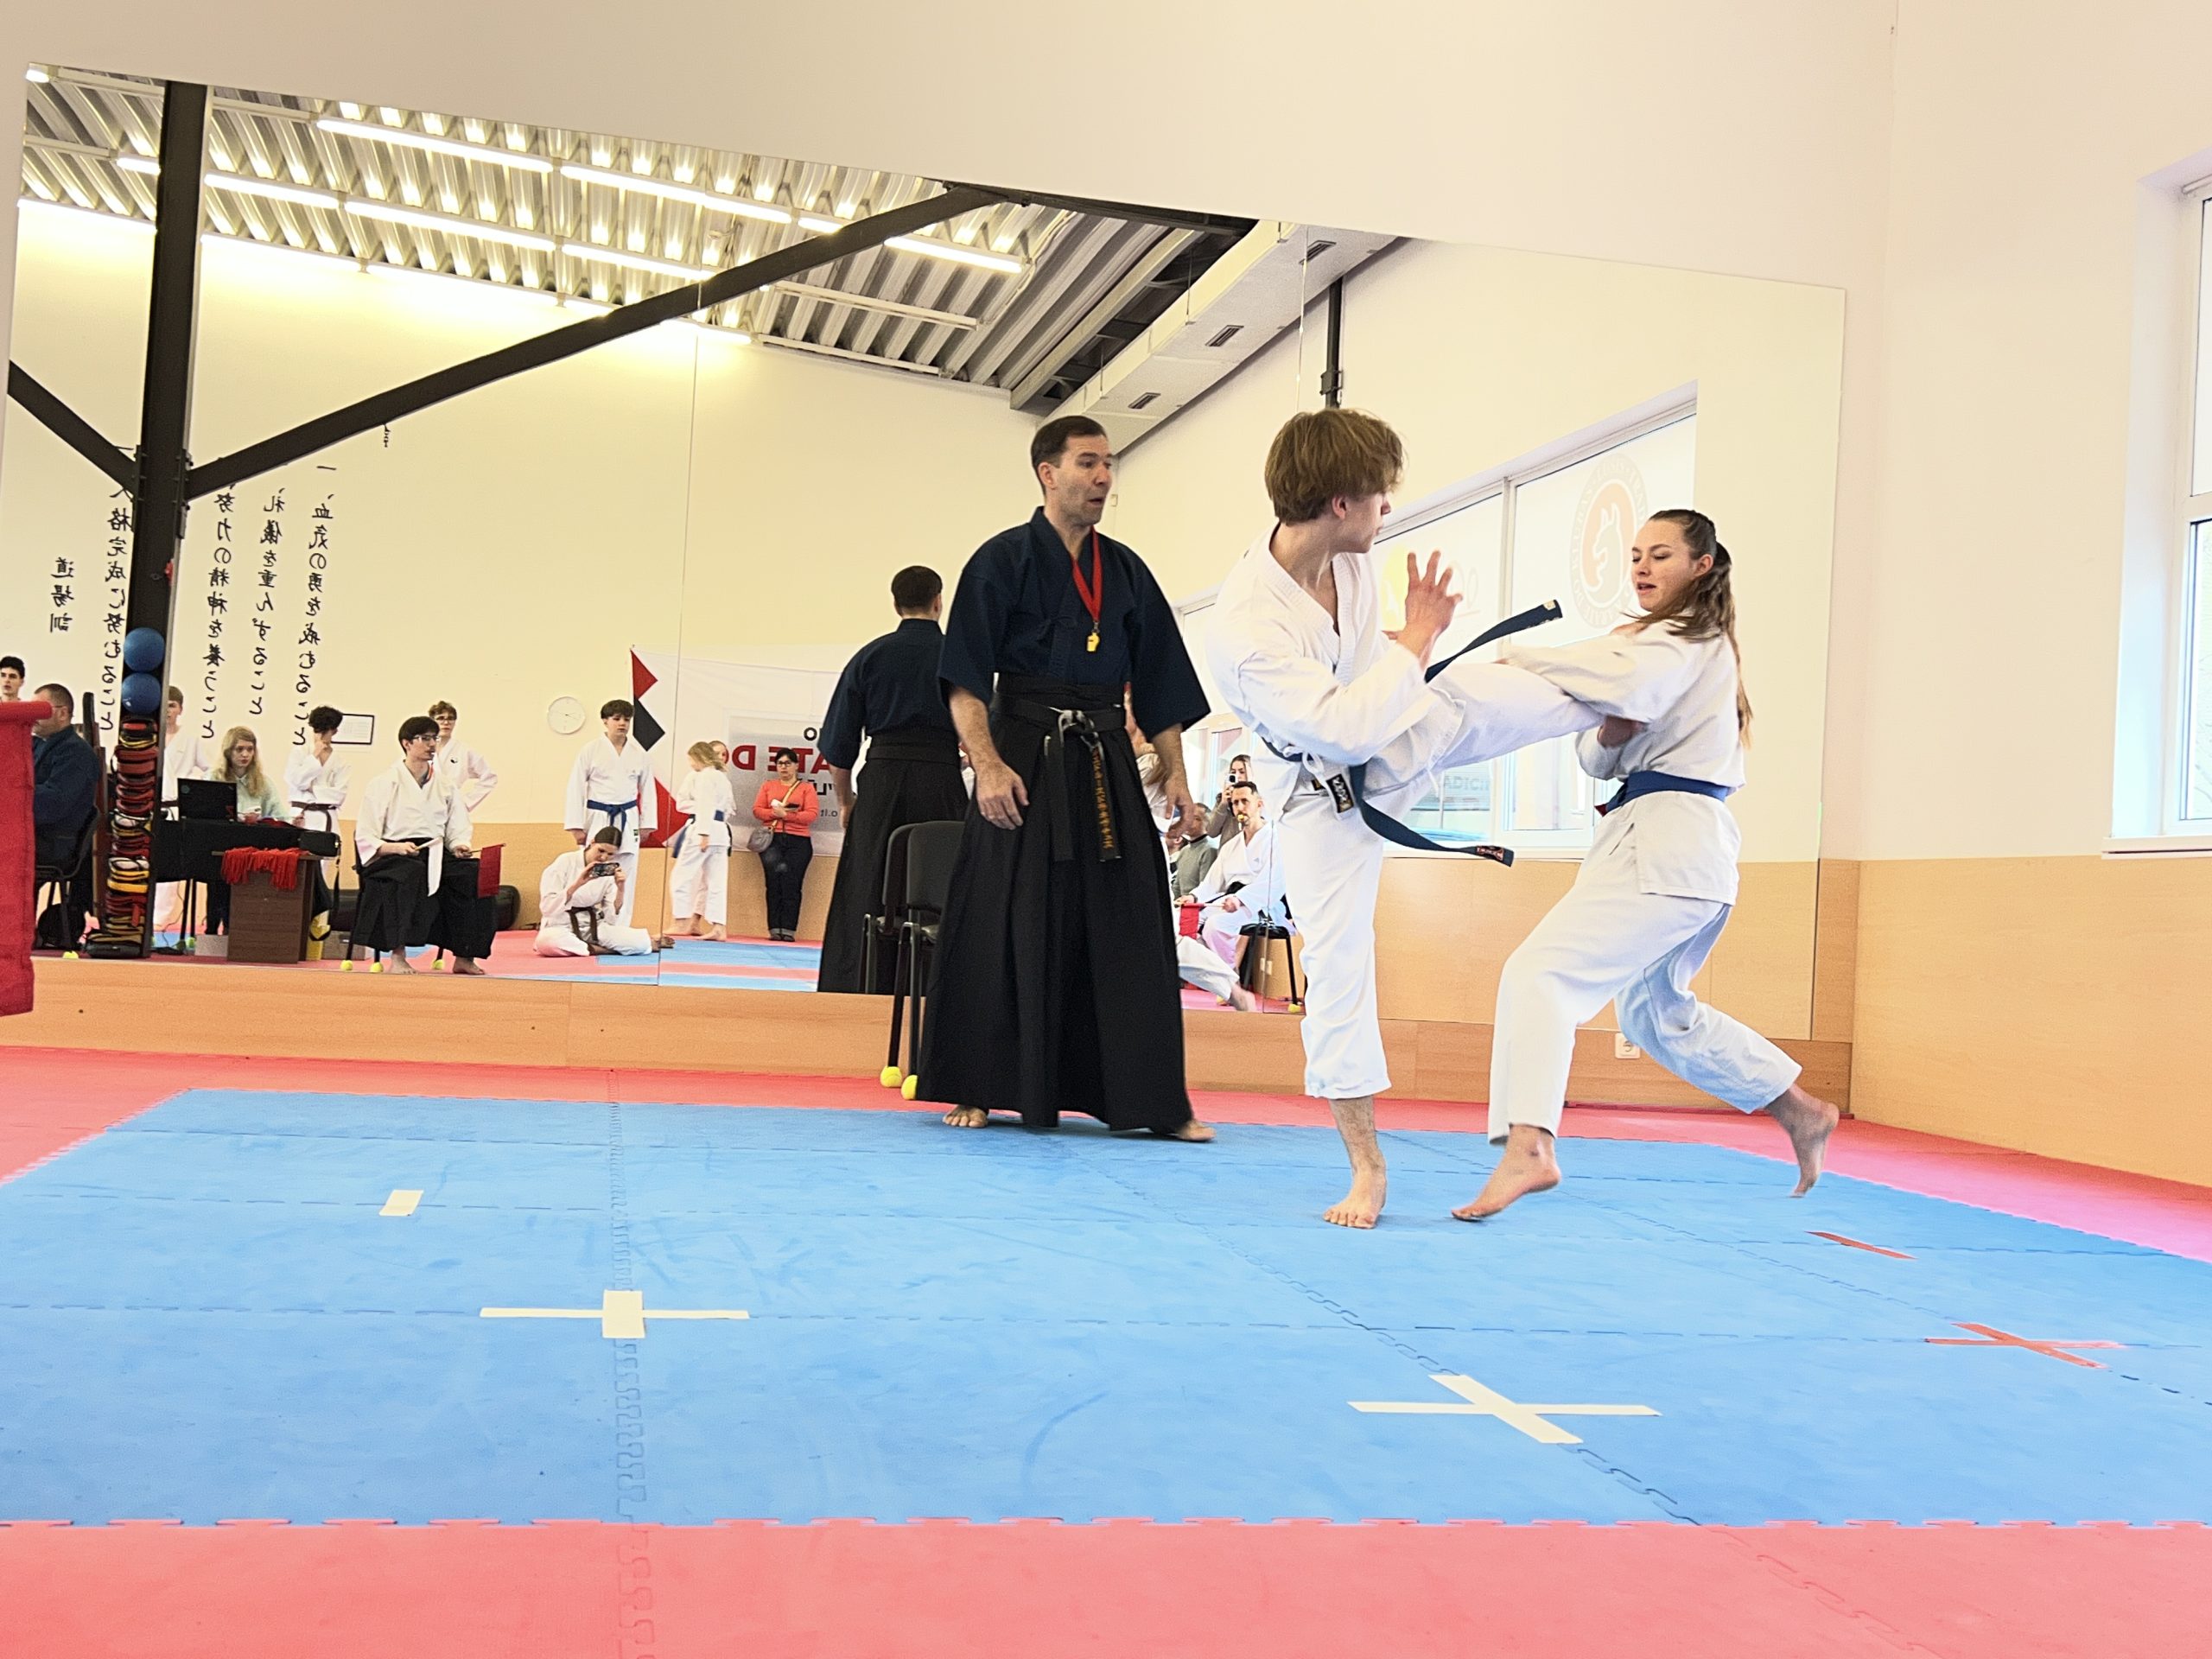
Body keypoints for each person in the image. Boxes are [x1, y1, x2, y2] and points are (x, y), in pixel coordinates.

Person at [1206, 408, 1603, 1225]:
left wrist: (1412, 641)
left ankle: (1655, 680)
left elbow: (1361, 666)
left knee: (1511, 695)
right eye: (1380, 495)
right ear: (1340, 504)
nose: (1389, 507)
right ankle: (1367, 1168)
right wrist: (1418, 634)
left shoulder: (1349, 563)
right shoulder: (1246, 626)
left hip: (1394, 727)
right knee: (1340, 969)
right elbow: (1342, 726)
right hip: (1321, 797)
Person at [1459, 509, 1839, 1220]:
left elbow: (1626, 679)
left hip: (1669, 847)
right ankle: (1798, 1109)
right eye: (1636, 554)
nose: (1641, 566)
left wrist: (1521, 657)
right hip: (1674, 851)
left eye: (1660, 555)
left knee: (1541, 974)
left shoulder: (1686, 638)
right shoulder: (1666, 649)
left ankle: (1530, 1146)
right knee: (1654, 1013)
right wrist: (1611, 728)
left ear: (1701, 565)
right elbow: (1597, 756)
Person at [920, 415, 1214, 1139]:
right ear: (1047, 473)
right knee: (1002, 912)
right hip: (1022, 753)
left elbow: (1161, 687)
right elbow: (964, 680)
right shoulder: (1001, 561)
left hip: (1105, 756)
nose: (1103, 478)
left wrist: (1177, 776)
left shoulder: (1128, 572)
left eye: (1109, 464)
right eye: (1088, 463)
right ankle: (978, 1084)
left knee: (1130, 922)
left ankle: (1151, 1103)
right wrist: (988, 765)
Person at [815, 564, 966, 993]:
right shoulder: (959, 657)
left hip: (883, 779)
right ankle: (939, 987)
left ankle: (860, 983)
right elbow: (983, 732)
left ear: (896, 604)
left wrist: (846, 802)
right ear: (939, 601)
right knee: (944, 881)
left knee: (869, 881)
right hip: (942, 780)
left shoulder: (870, 657)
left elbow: (838, 748)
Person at [1129, 700, 1258, 1012]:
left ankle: (1233, 990)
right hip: (1134, 857)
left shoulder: (1152, 763)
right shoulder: (1140, 762)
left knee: (1165, 940)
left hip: (1139, 858)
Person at [352, 715, 492, 975]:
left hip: (435, 850)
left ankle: (464, 955)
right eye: (425, 738)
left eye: (434, 739)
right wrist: (395, 848)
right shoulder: (384, 783)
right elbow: (366, 834)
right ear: (407, 743)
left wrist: (459, 844)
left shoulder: (446, 785)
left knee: (472, 875)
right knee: (409, 874)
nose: (432, 744)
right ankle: (398, 956)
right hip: (393, 854)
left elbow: (457, 823)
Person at [563, 699, 656, 927]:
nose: (622, 724)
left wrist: (647, 825)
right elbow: (576, 786)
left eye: (626, 719)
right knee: (592, 867)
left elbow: (648, 790)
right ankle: (587, 924)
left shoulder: (639, 753)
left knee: (626, 872)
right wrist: (575, 826)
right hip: (598, 815)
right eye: (616, 719)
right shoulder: (591, 750)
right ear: (605, 721)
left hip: (628, 816)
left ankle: (620, 926)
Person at [1192, 779, 1287, 969]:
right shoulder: (1231, 845)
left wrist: (1240, 899)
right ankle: (1215, 973)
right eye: (1235, 803)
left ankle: (1228, 977)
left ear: (1259, 804)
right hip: (1229, 900)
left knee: (1216, 926)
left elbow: (1273, 883)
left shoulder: (1276, 839)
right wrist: (1193, 897)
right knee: (1186, 923)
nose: (1240, 808)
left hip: (1261, 905)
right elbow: (1212, 883)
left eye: (1245, 801)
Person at [30, 684, 98, 947]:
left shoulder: (76, 753)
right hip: (37, 835)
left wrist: (17, 793)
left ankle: (14, 931)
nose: (33, 715)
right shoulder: (39, 745)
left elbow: (55, 803)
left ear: (62, 713)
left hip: (56, 842)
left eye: (40, 709)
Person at [536, 827, 656, 956]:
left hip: (592, 925)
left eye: (610, 854)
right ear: (592, 842)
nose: (604, 857)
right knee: (546, 942)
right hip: (561, 925)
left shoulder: (608, 872)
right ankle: (603, 950)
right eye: (601, 850)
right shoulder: (565, 862)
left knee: (641, 943)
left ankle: (585, 948)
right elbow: (547, 908)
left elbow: (612, 920)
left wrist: (621, 890)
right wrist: (577, 885)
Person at [283, 705, 349, 932]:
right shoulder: (299, 753)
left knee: (322, 877)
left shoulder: (341, 761)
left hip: (326, 819)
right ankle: (291, 924)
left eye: (326, 731)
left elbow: (339, 795)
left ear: (335, 731)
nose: (322, 736)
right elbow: (296, 781)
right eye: (319, 730)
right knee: (296, 871)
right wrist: (314, 757)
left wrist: (311, 790)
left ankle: (317, 926)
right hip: (299, 818)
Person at [154, 685, 211, 933]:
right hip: (150, 804)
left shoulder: (190, 739)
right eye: (164, 705)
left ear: (180, 709)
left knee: (168, 861)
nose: (167, 710)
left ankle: (162, 917)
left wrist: (190, 787)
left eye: (172, 705)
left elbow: (209, 769)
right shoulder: (150, 736)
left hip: (175, 805)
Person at [752, 747, 819, 942]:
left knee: (792, 884)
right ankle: (774, 928)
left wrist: (787, 815)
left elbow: (811, 815)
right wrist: (775, 814)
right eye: (780, 763)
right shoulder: (768, 786)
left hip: (798, 841)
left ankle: (789, 929)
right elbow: (757, 810)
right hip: (772, 840)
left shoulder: (806, 788)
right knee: (773, 884)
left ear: (796, 766)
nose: (784, 767)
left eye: (788, 763)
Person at [671, 740, 735, 940]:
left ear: (698, 757)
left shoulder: (705, 776)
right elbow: (728, 808)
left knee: (681, 876)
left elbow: (706, 805)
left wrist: (704, 833)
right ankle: (719, 927)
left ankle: (681, 921)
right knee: (716, 882)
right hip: (721, 831)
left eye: (691, 760)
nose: (691, 764)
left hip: (703, 829)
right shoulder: (722, 778)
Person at [430, 700, 499, 812]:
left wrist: (466, 803)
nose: (446, 722)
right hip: (425, 806)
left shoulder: (464, 751)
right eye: (441, 718)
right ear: (432, 721)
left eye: (450, 718)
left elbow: (490, 777)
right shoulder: (423, 748)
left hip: (452, 807)